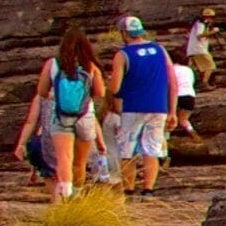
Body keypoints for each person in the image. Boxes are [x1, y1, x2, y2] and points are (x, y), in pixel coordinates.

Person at [16, 29, 98, 199]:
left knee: (63, 159)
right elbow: (100, 92)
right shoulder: (90, 65)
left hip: (61, 116)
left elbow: (41, 91)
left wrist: (55, 96)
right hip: (85, 115)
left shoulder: (53, 64)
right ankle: (77, 196)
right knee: (80, 162)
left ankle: (65, 197)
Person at [101, 15, 177, 194]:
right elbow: (172, 81)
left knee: (127, 150)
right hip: (158, 107)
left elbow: (115, 86)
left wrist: (107, 87)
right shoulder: (160, 49)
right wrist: (172, 111)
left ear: (124, 33)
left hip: (133, 107)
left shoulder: (123, 55)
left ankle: (129, 189)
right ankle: (148, 190)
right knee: (151, 149)